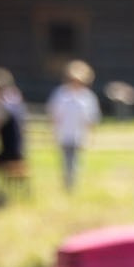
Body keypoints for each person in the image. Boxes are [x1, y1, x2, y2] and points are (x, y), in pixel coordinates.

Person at [47, 58, 100, 192]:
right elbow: (54, 115)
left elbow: (91, 119)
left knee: (75, 162)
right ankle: (67, 184)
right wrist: (53, 132)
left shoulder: (87, 97)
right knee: (65, 161)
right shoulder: (61, 94)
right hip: (64, 133)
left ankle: (72, 185)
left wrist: (90, 136)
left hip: (79, 134)